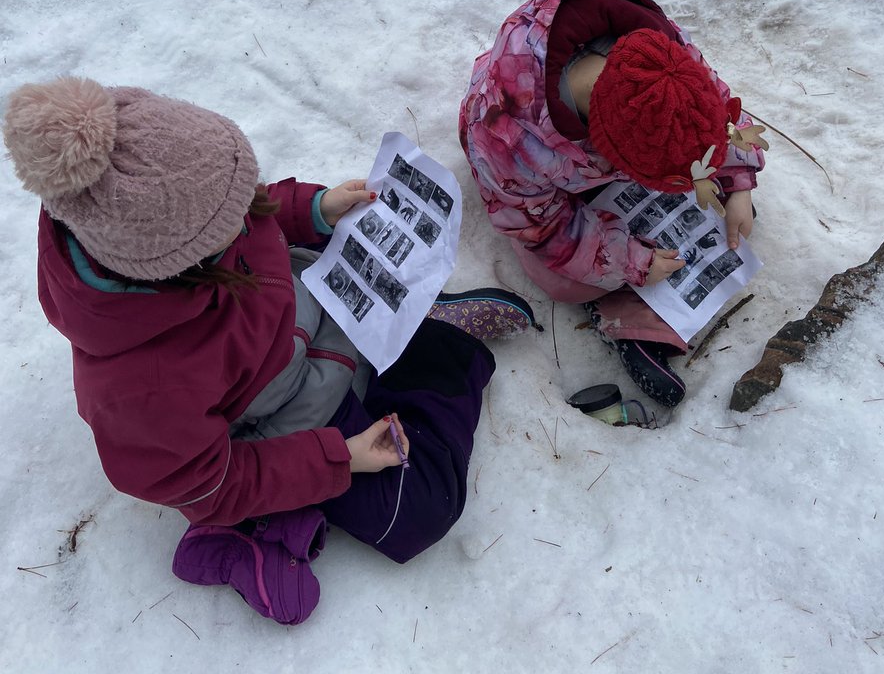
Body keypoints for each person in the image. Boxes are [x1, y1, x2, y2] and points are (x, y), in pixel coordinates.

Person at [3, 78, 535, 623]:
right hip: (287, 416)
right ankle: (422, 337)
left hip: (308, 300)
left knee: (360, 236)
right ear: (175, 264)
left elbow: (256, 212)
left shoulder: (185, 223)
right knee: (423, 508)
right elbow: (212, 483)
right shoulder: (140, 390)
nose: (250, 218)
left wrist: (316, 210)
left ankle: (408, 325)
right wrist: (339, 458)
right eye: (232, 223)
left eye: (246, 198)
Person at [459, 0, 767, 408]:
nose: (693, 188)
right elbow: (539, 226)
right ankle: (623, 309)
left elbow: (717, 107)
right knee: (564, 282)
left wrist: (737, 180)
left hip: (592, 152)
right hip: (534, 186)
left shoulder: (660, 53)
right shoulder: (507, 137)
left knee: (722, 203)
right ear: (611, 154)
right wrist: (630, 263)